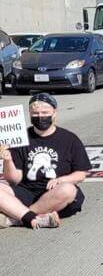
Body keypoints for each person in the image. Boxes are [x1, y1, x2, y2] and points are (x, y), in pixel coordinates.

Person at [0, 93, 90, 229]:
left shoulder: (70, 139)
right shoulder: (21, 138)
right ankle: (35, 218)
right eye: (35, 113)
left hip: (55, 193)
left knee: (68, 190)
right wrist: (7, 160)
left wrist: (62, 180)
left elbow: (81, 174)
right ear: (29, 114)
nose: (40, 116)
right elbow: (14, 179)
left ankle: (16, 218)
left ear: (54, 113)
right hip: (26, 190)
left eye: (45, 112)